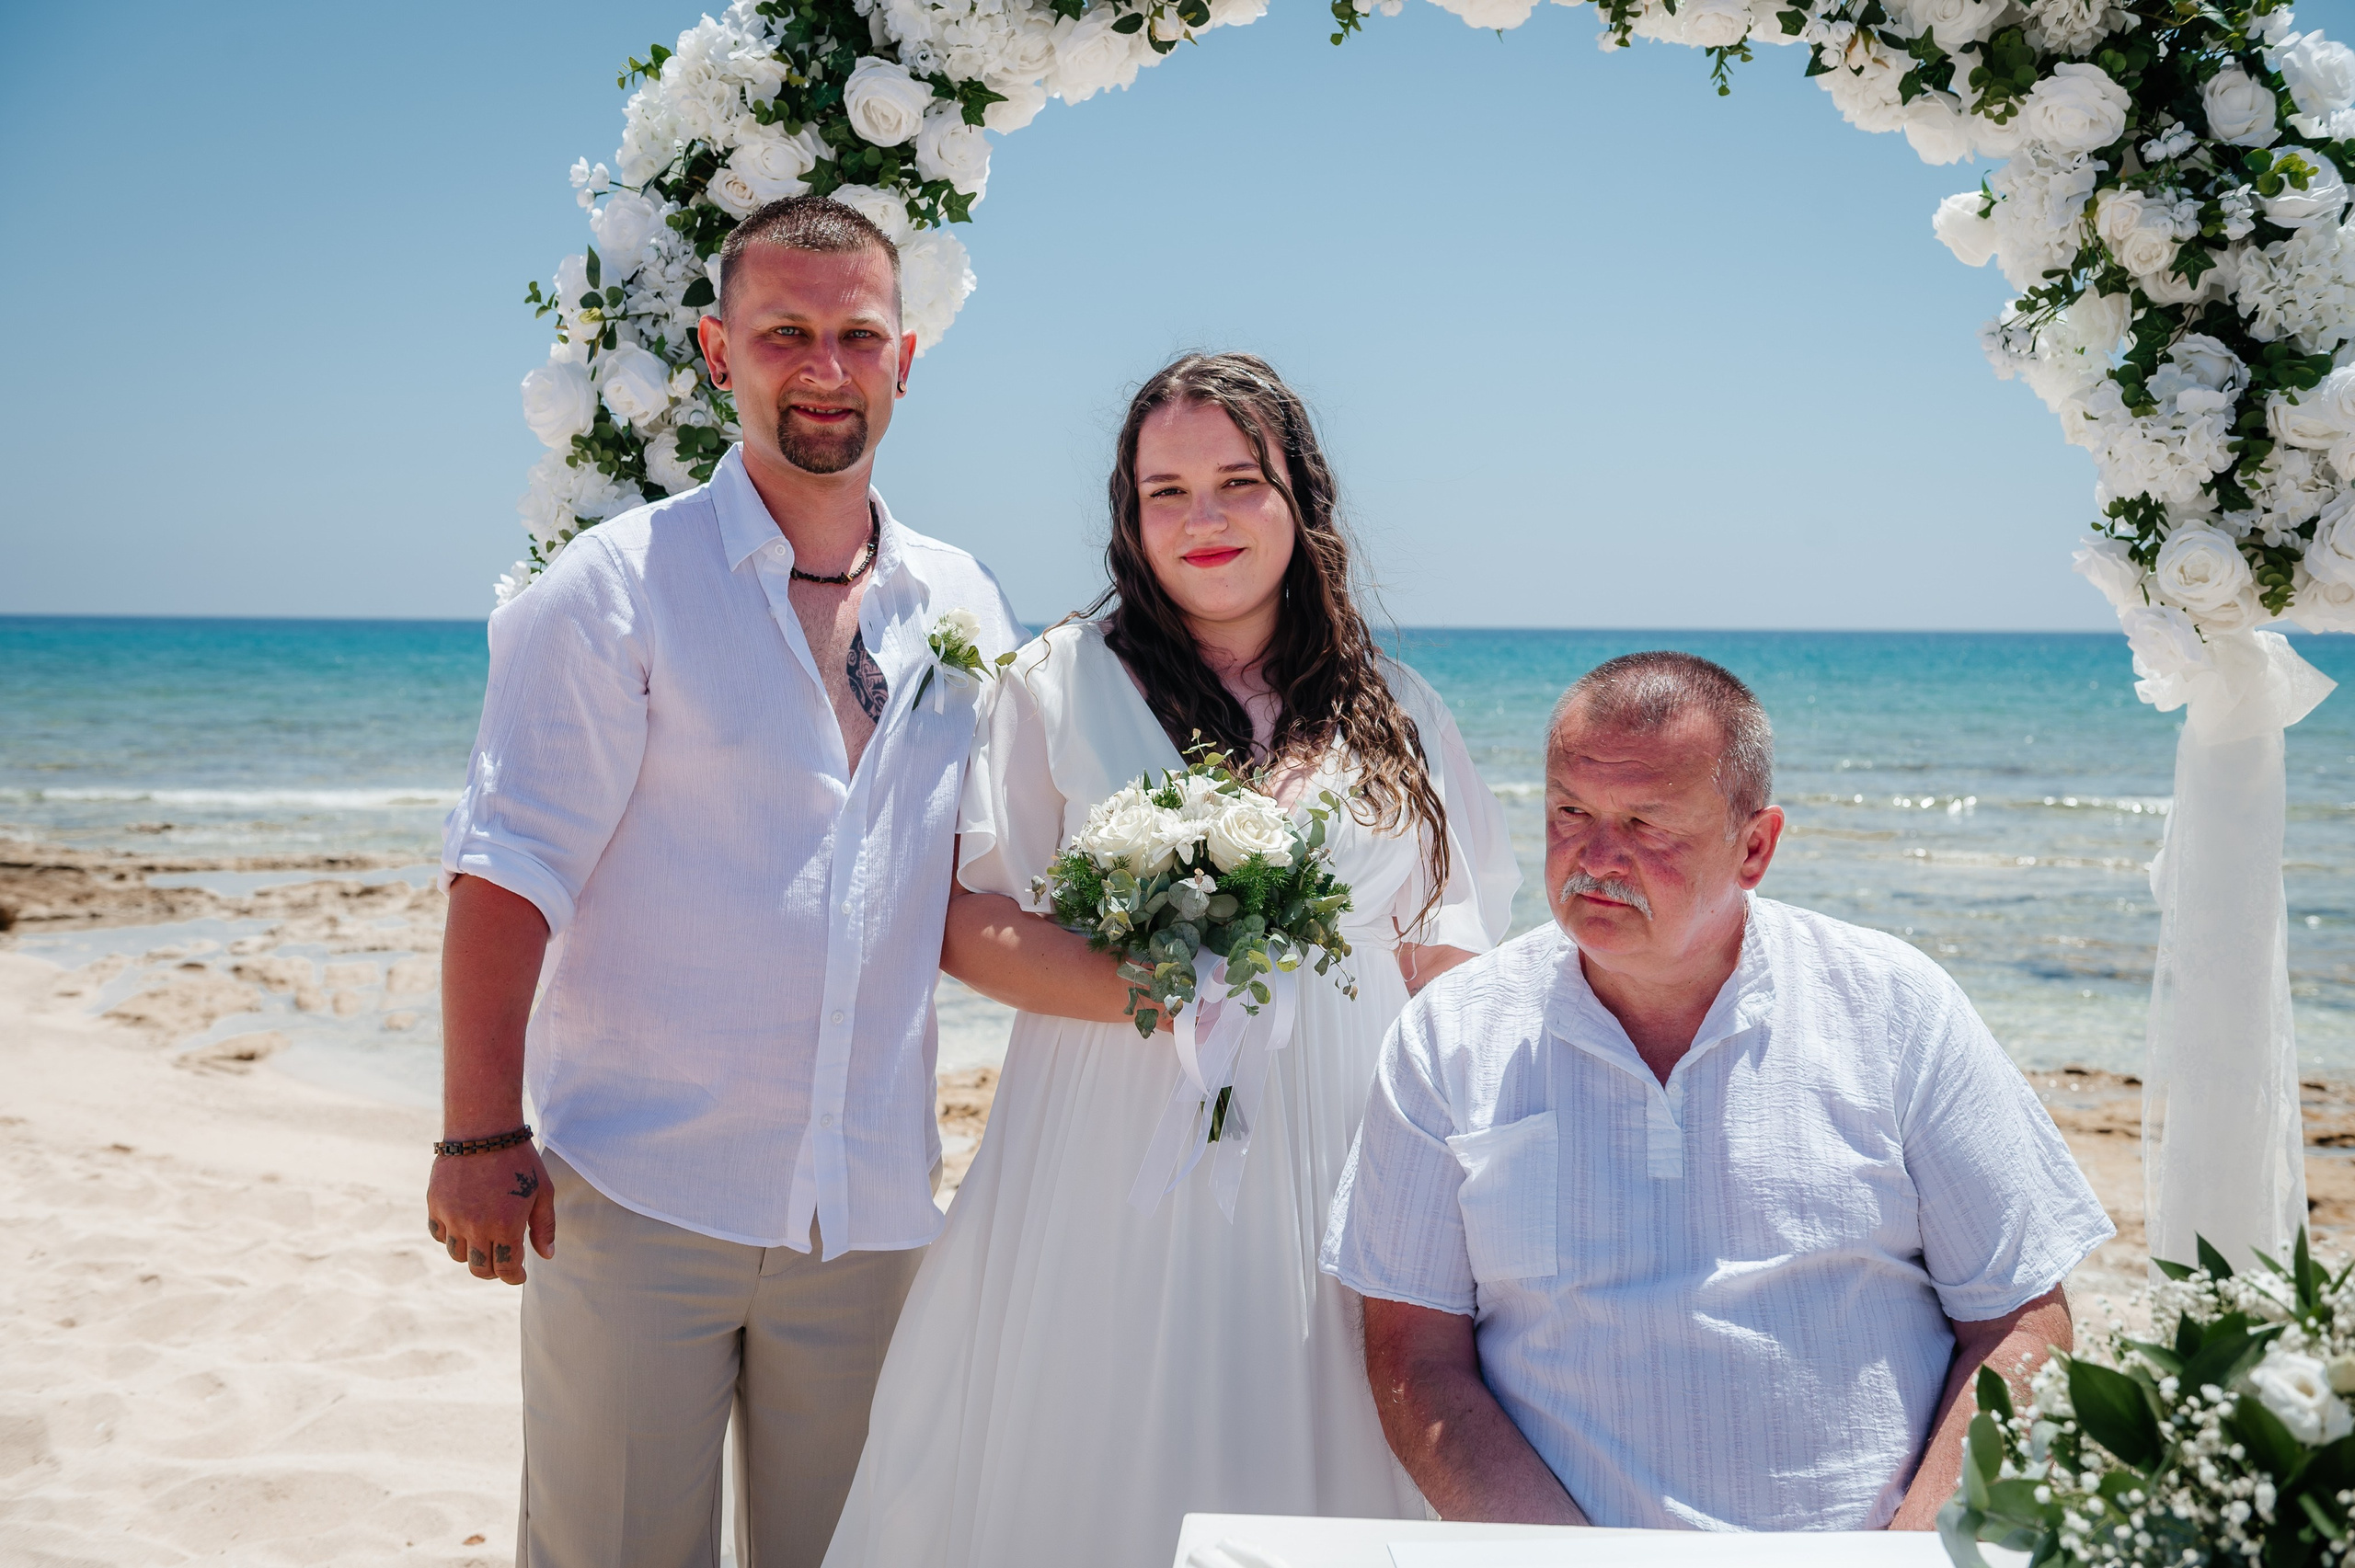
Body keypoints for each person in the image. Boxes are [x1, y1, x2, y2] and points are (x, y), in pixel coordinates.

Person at [821, 353, 1519, 1568]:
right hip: (1110, 1131)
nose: (1202, 520)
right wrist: (1146, 989)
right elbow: (966, 916)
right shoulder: (1057, 683)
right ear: (1127, 516)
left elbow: (1449, 937)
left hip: (1344, 1141)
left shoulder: (1396, 711)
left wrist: (1468, 1153)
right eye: (1166, 492)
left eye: (1238, 482)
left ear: (1302, 500)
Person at [428, 195, 1023, 1568]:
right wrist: (475, 1133)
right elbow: (506, 870)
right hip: (641, 1195)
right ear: (717, 352)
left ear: (906, 360)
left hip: (870, 1209)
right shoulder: (610, 590)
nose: (824, 366)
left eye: (856, 335)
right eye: (784, 334)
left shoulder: (967, 605)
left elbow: (984, 881)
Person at [1322, 651, 2117, 1532]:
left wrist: (1903, 1558)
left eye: (1647, 823)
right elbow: (1415, 1357)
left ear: (1755, 846)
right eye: (1569, 812)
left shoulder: (1894, 1005)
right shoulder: (1449, 1037)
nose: (1595, 857)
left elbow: (2019, 1322)